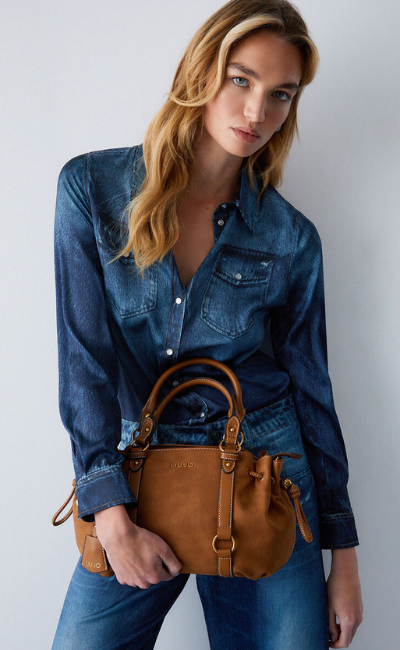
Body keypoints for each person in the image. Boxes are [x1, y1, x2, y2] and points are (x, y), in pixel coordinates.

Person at [51, 1, 363, 648]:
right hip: (139, 471)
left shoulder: (290, 237)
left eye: (281, 94)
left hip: (266, 474)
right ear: (201, 72)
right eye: (241, 79)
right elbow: (84, 363)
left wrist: (345, 558)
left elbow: (313, 390)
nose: (257, 111)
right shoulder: (92, 190)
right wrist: (108, 512)